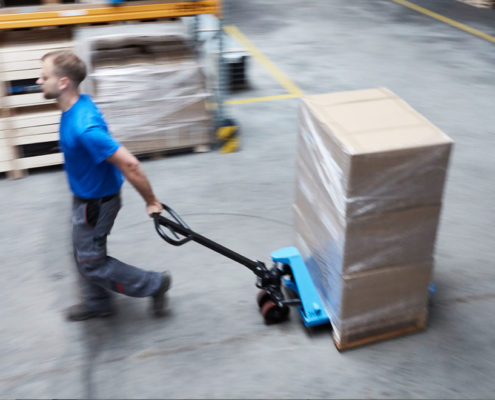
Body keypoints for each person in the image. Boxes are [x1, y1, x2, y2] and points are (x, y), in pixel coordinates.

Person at [36, 50, 171, 321]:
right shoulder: (77, 104)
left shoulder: (84, 128)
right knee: (82, 253)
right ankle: (97, 301)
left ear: (63, 83)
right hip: (86, 197)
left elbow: (130, 165)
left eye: (44, 76)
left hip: (96, 204)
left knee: (91, 262)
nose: (39, 81)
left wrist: (151, 201)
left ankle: (155, 284)